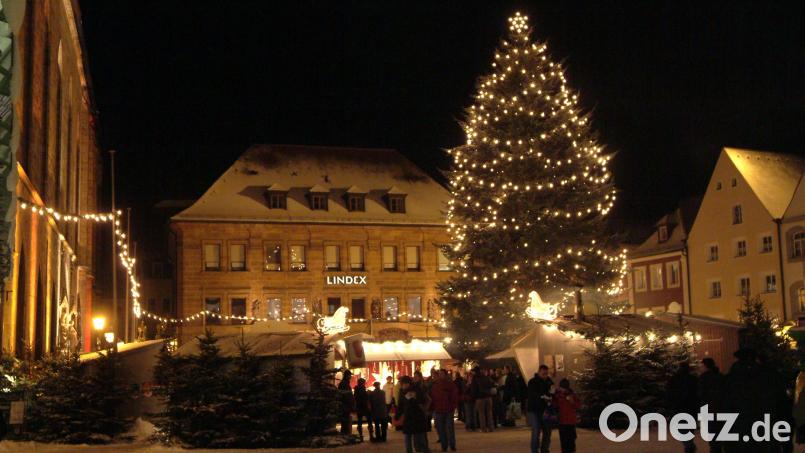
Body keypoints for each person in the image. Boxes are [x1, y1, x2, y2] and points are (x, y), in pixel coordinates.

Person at [667, 362, 699, 453]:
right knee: (689, 429)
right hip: (691, 409)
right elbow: (698, 394)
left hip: (679, 408)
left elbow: (669, 394)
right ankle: (689, 444)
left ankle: (689, 445)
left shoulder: (674, 379)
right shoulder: (693, 379)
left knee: (681, 429)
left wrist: (670, 405)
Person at [396, 375, 432, 453]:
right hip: (416, 417)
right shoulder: (416, 389)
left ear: (406, 384)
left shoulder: (407, 391)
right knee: (419, 438)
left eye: (402, 384)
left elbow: (401, 405)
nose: (402, 386)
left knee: (410, 438)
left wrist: (397, 416)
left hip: (412, 417)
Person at [699, 358, 725, 453]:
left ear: (706, 366)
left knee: (712, 434)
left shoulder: (704, 378)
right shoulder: (720, 376)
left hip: (709, 409)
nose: (700, 367)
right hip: (721, 408)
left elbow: (702, 394)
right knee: (719, 433)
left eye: (702, 366)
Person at [527, 364, 554, 453]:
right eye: (543, 374)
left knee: (547, 431)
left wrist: (551, 396)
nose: (545, 376)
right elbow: (532, 395)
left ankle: (544, 449)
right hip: (534, 410)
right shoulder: (532, 382)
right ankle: (534, 450)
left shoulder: (549, 381)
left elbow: (552, 392)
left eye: (546, 374)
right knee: (536, 430)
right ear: (539, 372)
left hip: (545, 410)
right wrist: (542, 397)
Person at [431, 369, 459, 452]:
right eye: (439, 374)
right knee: (441, 429)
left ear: (445, 375)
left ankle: (452, 445)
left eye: (442, 374)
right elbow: (433, 397)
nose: (440, 375)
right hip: (439, 409)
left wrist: (453, 406)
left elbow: (454, 396)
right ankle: (444, 445)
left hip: (448, 409)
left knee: (450, 428)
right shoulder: (435, 385)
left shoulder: (450, 384)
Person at [553, 378, 580, 453]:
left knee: (571, 440)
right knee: (564, 441)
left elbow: (578, 406)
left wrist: (572, 402)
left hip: (570, 421)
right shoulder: (557, 395)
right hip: (562, 421)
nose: (563, 390)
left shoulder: (572, 395)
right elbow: (554, 405)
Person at [471, 367, 495, 432]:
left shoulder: (475, 378)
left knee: (481, 414)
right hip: (488, 397)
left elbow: (473, 389)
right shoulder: (486, 377)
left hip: (480, 398)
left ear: (475, 372)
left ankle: (483, 429)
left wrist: (474, 398)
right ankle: (491, 427)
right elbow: (491, 384)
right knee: (489, 413)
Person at [338, 370, 355, 435]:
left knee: (345, 420)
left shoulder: (345, 383)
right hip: (345, 405)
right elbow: (346, 395)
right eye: (349, 375)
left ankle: (345, 433)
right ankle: (345, 434)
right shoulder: (344, 383)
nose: (350, 377)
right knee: (345, 421)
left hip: (346, 405)